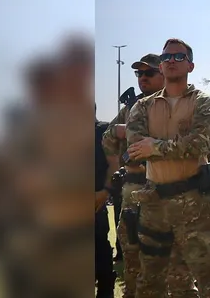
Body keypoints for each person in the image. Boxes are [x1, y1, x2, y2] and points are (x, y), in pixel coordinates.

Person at [124, 38, 210, 297]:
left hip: (194, 204)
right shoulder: (142, 106)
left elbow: (201, 144)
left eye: (179, 57)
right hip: (154, 204)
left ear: (190, 66)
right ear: (160, 66)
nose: (171, 60)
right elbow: (136, 146)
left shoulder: (205, 102)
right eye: (166, 57)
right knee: (150, 281)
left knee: (209, 279)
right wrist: (176, 147)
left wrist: (156, 147)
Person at [102, 53, 197, 298]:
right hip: (133, 192)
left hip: (169, 191)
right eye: (139, 73)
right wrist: (120, 132)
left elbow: (194, 145)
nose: (142, 78)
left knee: (176, 265)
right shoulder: (131, 109)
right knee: (133, 259)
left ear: (163, 73)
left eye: (149, 73)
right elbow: (107, 141)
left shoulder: (180, 106)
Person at [95, 112, 116, 298]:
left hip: (96, 203)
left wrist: (105, 192)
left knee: (101, 250)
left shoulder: (103, 131)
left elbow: (114, 163)